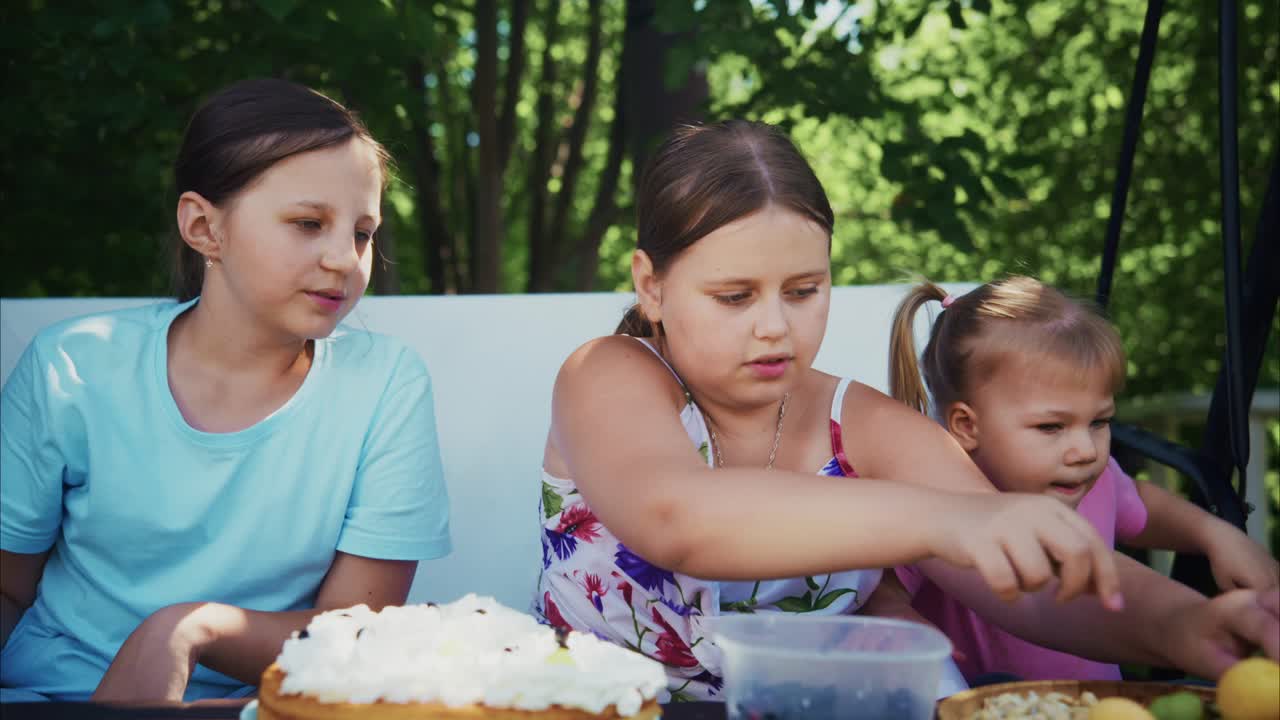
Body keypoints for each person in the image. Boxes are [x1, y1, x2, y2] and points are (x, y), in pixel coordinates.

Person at [533, 119, 1279, 701]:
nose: (775, 326)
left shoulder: (862, 425)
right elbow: (677, 517)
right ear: (652, 285)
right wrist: (949, 520)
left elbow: (1029, 585)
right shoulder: (609, 375)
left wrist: (1185, 625)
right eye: (734, 297)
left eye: (803, 291)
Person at [0, 79, 451, 702]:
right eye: (308, 222)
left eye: (363, 232)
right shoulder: (71, 366)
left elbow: (356, 635)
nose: (346, 259)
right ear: (203, 227)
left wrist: (189, 631)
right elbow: (8, 589)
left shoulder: (386, 383)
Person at [884, 276, 1279, 683]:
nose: (1086, 450)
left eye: (1099, 422)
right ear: (967, 425)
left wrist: (1215, 535)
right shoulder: (942, 505)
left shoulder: (1094, 478)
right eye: (1051, 427)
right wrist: (900, 625)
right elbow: (883, 587)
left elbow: (1144, 509)